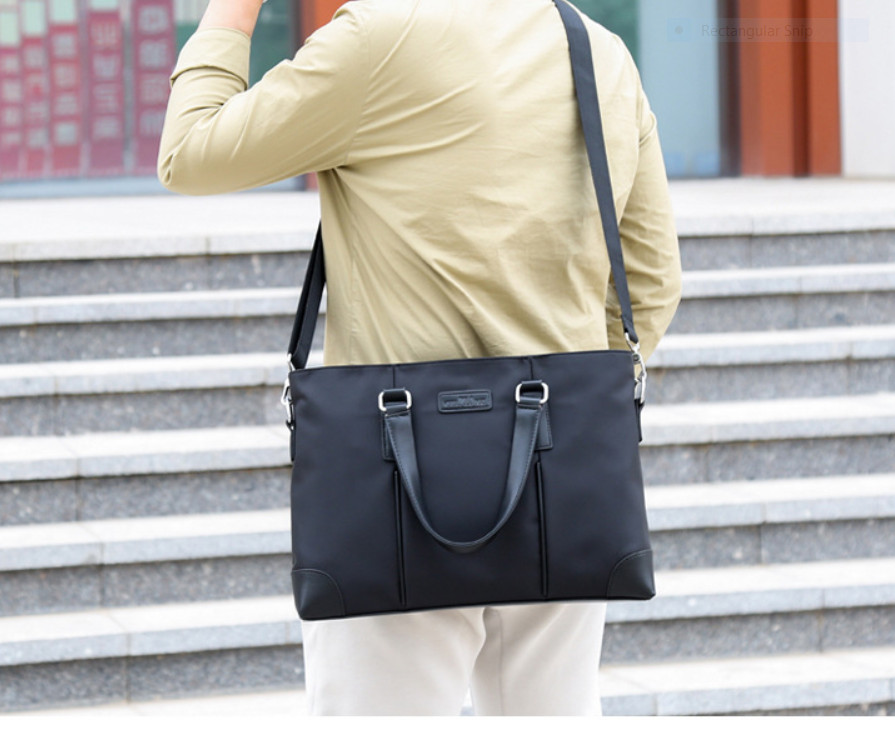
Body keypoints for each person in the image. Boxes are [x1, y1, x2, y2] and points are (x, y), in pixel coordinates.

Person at [159, 0, 681, 716]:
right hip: (560, 477)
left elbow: (189, 152)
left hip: (394, 474)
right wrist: (574, 396)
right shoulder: (597, 50)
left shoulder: (375, 39)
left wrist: (233, 11)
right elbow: (650, 281)